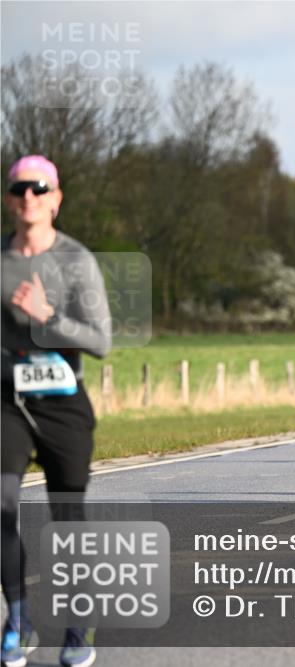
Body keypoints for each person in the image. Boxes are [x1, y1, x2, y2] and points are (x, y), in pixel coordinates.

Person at [2, 156, 111, 667]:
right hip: (7, 400)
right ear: (9, 198)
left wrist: (48, 317)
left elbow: (101, 341)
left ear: (56, 198)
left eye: (39, 188)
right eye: (20, 188)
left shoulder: (75, 260)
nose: (29, 197)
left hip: (64, 402)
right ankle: (19, 622)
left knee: (66, 517)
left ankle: (78, 624)